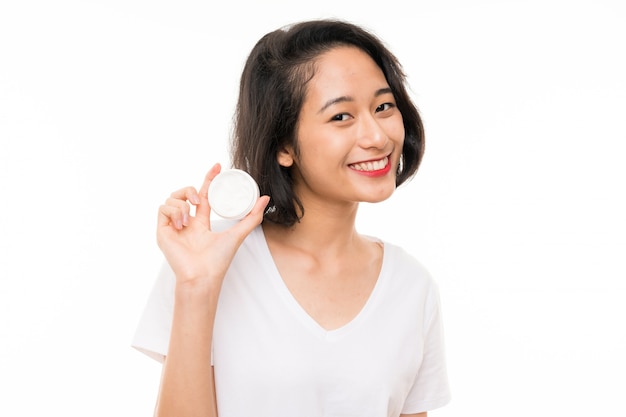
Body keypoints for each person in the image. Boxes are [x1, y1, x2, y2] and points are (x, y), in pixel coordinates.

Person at [132, 19, 451, 417]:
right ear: (284, 144)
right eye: (341, 116)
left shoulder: (411, 286)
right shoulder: (209, 261)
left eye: (383, 106)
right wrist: (197, 285)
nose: (376, 136)